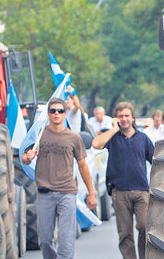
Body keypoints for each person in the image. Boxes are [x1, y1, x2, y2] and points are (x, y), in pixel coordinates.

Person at [21, 98, 96, 259]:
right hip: (44, 193)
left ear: (64, 113)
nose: (56, 113)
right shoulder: (39, 135)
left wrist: (91, 192)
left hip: (67, 193)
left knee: (66, 238)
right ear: (48, 114)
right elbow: (24, 159)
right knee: (45, 240)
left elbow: (83, 165)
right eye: (53, 111)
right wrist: (28, 156)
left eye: (60, 111)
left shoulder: (74, 138)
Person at [91, 102, 154, 259]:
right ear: (116, 118)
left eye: (127, 116)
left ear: (133, 118)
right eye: (121, 116)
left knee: (144, 226)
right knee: (125, 233)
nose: (124, 119)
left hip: (141, 191)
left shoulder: (143, 138)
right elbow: (95, 144)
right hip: (120, 192)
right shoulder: (112, 137)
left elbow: (156, 161)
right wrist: (114, 129)